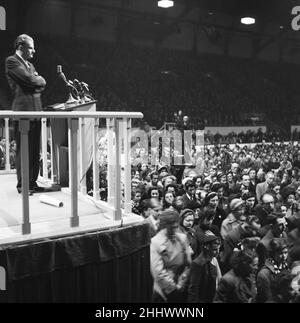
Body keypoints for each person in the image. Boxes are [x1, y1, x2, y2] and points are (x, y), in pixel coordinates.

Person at [5, 34, 46, 194]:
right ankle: (23, 185)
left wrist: (36, 81)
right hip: (23, 112)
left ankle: (32, 182)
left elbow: (37, 84)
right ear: (21, 47)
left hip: (36, 112)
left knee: (34, 150)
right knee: (24, 150)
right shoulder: (12, 61)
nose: (34, 51)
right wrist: (37, 80)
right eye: (31, 47)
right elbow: (31, 81)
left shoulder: (29, 65)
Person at [150, 209, 192, 302]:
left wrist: (182, 280)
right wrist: (174, 288)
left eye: (176, 226)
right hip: (163, 292)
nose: (175, 230)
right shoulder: (156, 242)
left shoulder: (182, 238)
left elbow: (188, 264)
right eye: (172, 227)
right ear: (165, 225)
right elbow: (158, 272)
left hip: (182, 287)